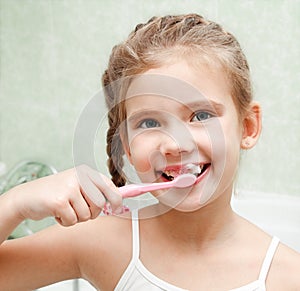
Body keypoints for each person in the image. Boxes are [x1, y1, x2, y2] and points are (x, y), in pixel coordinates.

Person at [0, 13, 299, 291]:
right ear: (127, 147)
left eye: (201, 115)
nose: (176, 145)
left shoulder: (286, 276)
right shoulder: (102, 243)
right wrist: (16, 204)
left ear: (247, 127)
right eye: (150, 122)